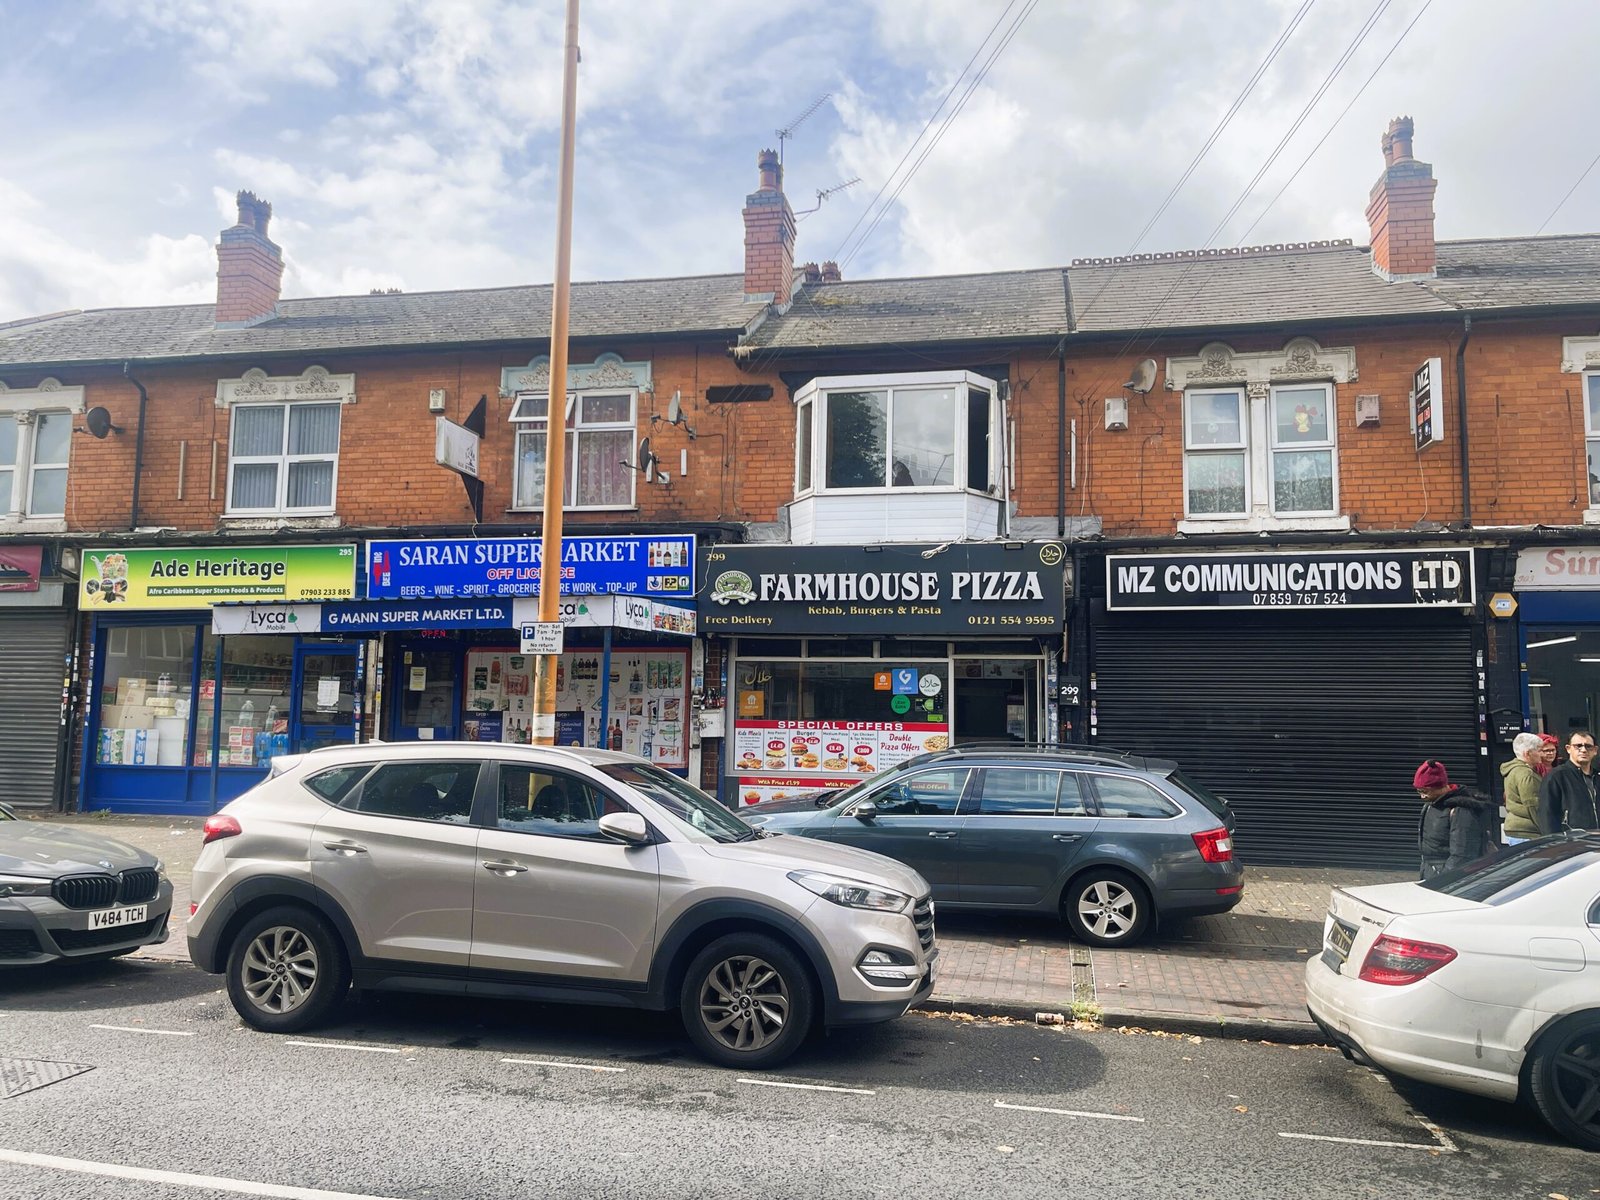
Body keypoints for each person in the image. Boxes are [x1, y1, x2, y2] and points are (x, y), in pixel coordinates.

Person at [1414, 760, 1495, 880]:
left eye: (1425, 791)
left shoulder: (1460, 810)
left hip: (1446, 876)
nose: (1422, 796)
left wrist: (1444, 878)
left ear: (1439, 786)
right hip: (1431, 871)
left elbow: (1462, 854)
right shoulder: (1430, 805)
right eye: (1419, 791)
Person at [1538, 731, 1600, 834]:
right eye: (1578, 746)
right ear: (1568, 749)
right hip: (1570, 840)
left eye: (1588, 746)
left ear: (1595, 750)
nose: (1583, 750)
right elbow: (1547, 815)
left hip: (1596, 840)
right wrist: (1554, 841)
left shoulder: (1597, 777)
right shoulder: (1556, 777)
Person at [1500, 732, 1545, 844]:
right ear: (1528, 753)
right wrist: (1545, 829)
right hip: (1527, 831)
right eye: (1539, 750)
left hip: (1517, 828)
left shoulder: (1514, 769)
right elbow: (1531, 804)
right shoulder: (1525, 773)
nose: (1542, 754)